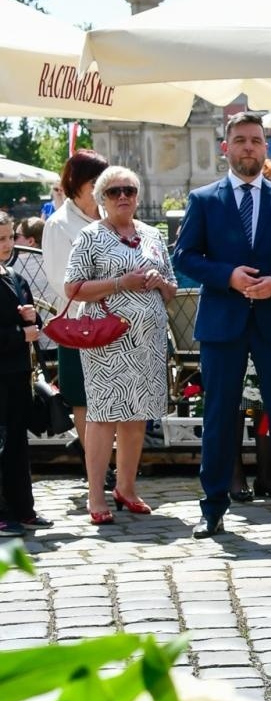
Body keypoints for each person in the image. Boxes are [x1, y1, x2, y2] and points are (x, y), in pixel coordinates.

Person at [174, 112, 271, 537]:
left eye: (256, 140)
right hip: (223, 321)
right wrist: (228, 276)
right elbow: (184, 256)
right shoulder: (204, 200)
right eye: (240, 140)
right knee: (219, 415)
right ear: (226, 147)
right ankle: (213, 507)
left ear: (265, 148)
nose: (248, 147)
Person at [62, 167, 179, 525]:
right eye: (113, 192)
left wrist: (160, 282)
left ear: (138, 195)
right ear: (101, 199)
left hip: (147, 340)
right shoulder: (90, 236)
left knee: (137, 413)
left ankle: (127, 487)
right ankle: (95, 494)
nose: (122, 196)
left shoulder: (151, 235)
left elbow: (173, 289)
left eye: (128, 190)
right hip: (106, 340)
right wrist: (120, 283)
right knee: (103, 414)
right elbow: (73, 288)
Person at [43, 151, 110, 450]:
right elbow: (62, 282)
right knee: (85, 399)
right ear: (76, 183)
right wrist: (113, 285)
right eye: (94, 181)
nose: (101, 188)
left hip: (118, 322)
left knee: (114, 395)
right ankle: (95, 463)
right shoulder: (59, 224)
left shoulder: (112, 217)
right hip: (80, 325)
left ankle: (116, 463)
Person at [0, 212, 47, 535]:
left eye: (7, 237)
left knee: (17, 442)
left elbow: (34, 326)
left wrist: (33, 319)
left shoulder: (15, 276)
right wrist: (20, 334)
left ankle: (23, 507)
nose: (5, 245)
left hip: (18, 372)